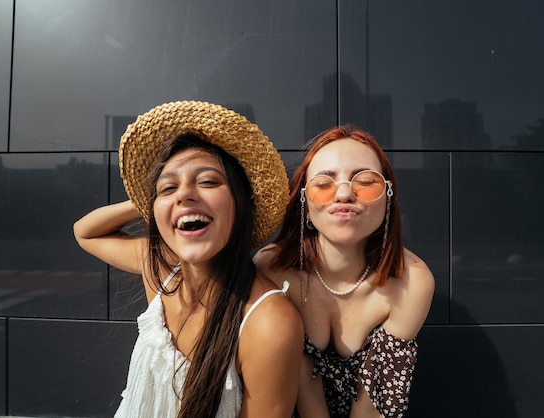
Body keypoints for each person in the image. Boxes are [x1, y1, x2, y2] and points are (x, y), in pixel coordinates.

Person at [73, 101, 304, 418]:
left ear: (241, 202)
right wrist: (152, 199)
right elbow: (85, 232)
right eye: (169, 187)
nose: (184, 194)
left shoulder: (269, 322)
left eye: (208, 181)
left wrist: (165, 195)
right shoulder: (163, 272)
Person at [254, 125, 435, 418]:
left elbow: (374, 401)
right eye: (323, 184)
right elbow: (299, 381)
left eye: (365, 181)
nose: (343, 193)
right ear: (304, 201)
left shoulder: (412, 281)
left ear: (388, 196)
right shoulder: (272, 270)